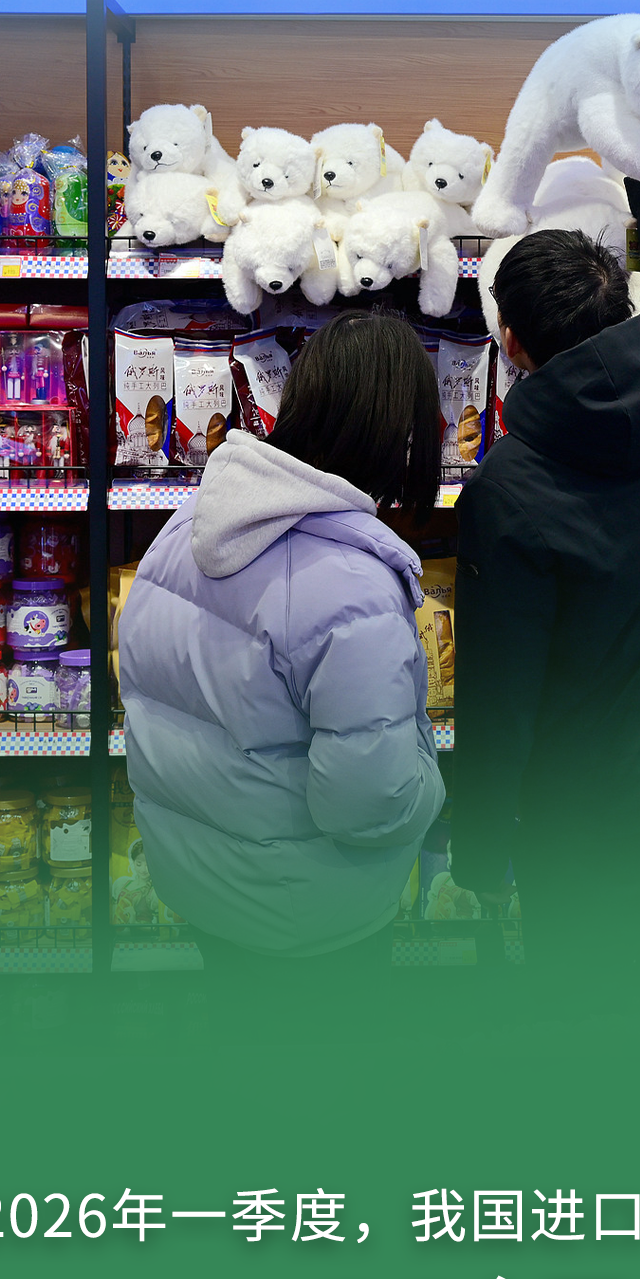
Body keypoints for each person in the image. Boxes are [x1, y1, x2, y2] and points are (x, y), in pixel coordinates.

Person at [449, 177, 640, 965]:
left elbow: (499, 690)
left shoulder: (506, 493)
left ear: (510, 342)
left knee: (587, 1015)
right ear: (621, 308)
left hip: (580, 818)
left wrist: (479, 849)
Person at [119, 312, 445, 967]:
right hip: (311, 915)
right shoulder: (353, 586)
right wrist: (435, 789)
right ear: (400, 431)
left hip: (202, 884)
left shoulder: (190, 523)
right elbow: (370, 806)